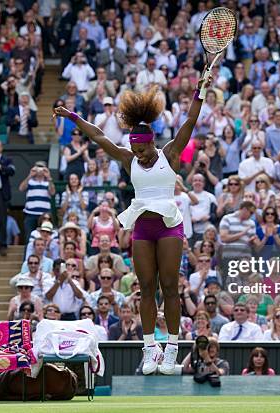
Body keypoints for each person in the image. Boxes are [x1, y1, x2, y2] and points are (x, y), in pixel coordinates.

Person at [53, 70, 211, 375]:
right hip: (142, 227)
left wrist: (200, 91)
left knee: (170, 288)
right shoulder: (129, 159)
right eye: (135, 151)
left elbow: (189, 122)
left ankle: (172, 350)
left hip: (168, 226)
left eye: (143, 149)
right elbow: (98, 136)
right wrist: (73, 116)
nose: (140, 155)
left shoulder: (171, 153)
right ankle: (150, 348)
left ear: (152, 142)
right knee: (147, 287)